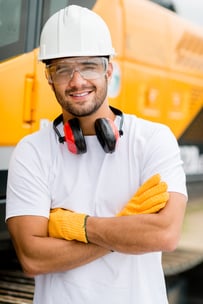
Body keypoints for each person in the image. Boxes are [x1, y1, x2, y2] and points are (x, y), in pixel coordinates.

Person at [6, 5, 187, 304]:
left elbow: (165, 235)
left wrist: (77, 226)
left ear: (109, 70)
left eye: (89, 66)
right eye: (63, 69)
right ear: (49, 78)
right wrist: (128, 227)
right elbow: (33, 258)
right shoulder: (32, 152)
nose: (77, 81)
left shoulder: (153, 140)